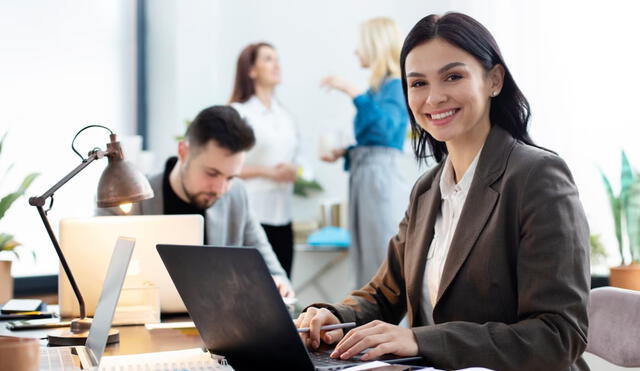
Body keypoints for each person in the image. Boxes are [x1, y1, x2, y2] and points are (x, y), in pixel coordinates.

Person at [296, 12, 590, 371]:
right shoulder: (427, 188)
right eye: (417, 83)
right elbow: (385, 293)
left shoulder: (537, 176)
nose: (433, 98)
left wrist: (420, 339)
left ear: (494, 80)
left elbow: (559, 335)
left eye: (453, 76)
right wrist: (332, 316)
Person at [98, 105, 294, 297]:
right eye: (211, 173)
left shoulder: (236, 196)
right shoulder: (129, 197)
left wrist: (277, 284)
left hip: (219, 325)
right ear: (183, 152)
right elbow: (96, 274)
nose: (220, 189)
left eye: (230, 177)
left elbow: (275, 272)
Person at [320, 17, 410, 288]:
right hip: (366, 174)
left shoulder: (395, 85)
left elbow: (386, 132)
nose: (356, 52)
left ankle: (389, 328)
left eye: (360, 46)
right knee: (365, 255)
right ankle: (368, 324)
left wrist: (353, 92)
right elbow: (376, 138)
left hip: (378, 177)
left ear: (375, 46)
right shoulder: (378, 89)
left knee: (379, 256)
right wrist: (345, 152)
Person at [229, 42, 298, 278]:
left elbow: (294, 156)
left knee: (284, 290)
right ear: (251, 70)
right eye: (268, 59)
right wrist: (267, 172)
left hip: (284, 216)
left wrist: (293, 170)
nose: (276, 64)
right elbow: (226, 168)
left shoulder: (284, 114)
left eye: (277, 59)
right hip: (254, 214)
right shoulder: (239, 113)